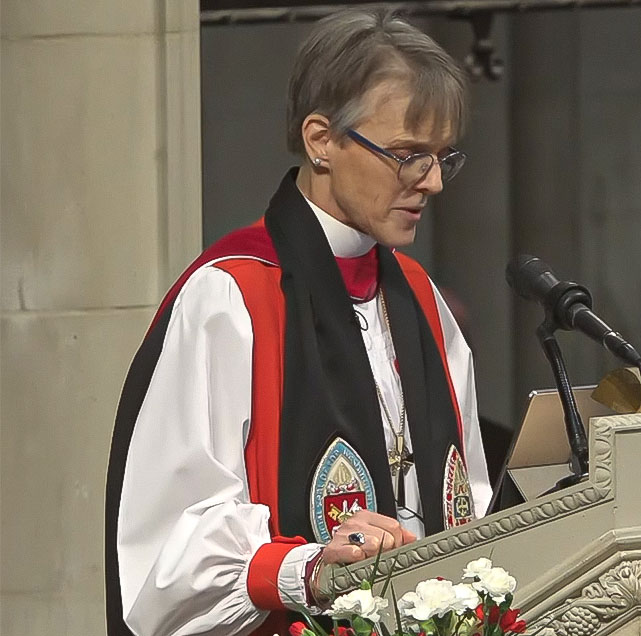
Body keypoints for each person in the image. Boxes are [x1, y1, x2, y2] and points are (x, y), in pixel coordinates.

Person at [105, 8, 492, 636]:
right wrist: (311, 569)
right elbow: (166, 555)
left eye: (445, 157)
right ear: (320, 140)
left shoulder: (421, 299)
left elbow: (467, 502)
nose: (435, 182)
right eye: (408, 156)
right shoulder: (231, 298)